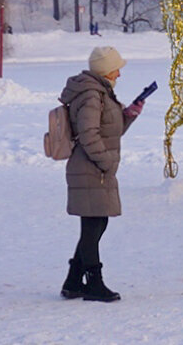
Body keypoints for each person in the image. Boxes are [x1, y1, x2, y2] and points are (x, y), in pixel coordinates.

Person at [59, 46, 144, 302]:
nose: (119, 74)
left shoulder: (100, 93)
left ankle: (73, 282)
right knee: (93, 225)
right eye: (116, 69)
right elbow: (89, 134)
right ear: (106, 70)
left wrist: (129, 115)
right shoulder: (91, 95)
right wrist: (106, 161)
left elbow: (108, 131)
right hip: (90, 168)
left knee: (96, 223)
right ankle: (94, 284)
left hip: (94, 168)